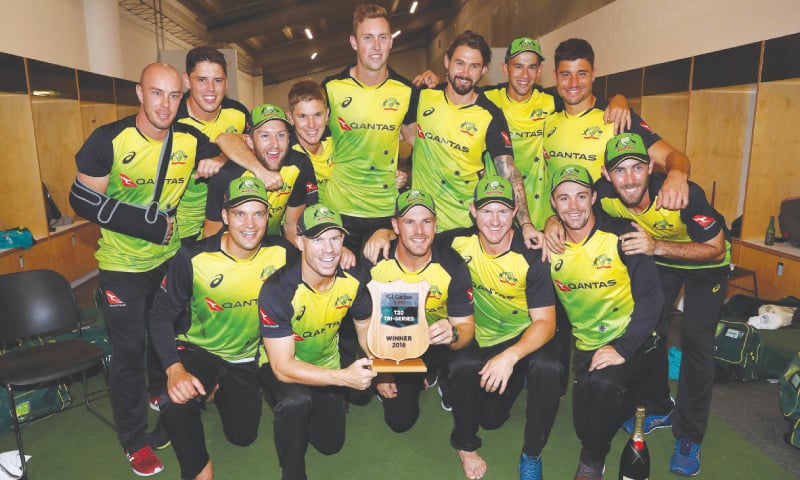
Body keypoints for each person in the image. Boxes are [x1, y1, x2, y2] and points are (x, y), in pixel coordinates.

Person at [69, 62, 224, 476]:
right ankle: (134, 441)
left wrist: (219, 157)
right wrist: (140, 222)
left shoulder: (189, 139)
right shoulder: (109, 140)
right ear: (139, 93)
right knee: (128, 353)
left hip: (167, 262)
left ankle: (162, 400)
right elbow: (81, 201)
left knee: (170, 339)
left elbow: (226, 144)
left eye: (175, 96)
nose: (166, 105)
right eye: (157, 93)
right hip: (121, 265)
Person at [596, 133, 730, 476]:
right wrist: (552, 223)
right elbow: (571, 211)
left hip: (705, 264)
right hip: (663, 261)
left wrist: (656, 248)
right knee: (650, 330)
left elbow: (716, 247)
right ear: (607, 175)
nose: (629, 179)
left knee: (696, 341)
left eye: (636, 168)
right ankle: (659, 404)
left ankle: (689, 434)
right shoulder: (605, 195)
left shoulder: (682, 195)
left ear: (650, 167)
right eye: (620, 170)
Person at [148, 177, 296, 480]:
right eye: (240, 214)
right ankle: (198, 468)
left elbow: (320, 278)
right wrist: (174, 369)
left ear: (268, 217)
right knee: (174, 400)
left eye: (258, 214)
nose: (250, 224)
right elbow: (159, 316)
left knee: (243, 436)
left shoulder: (282, 253)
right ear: (225, 216)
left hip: (245, 356)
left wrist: (347, 255)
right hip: (201, 348)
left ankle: (215, 387)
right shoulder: (194, 257)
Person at [548, 164, 663, 480]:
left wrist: (623, 348)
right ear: (554, 205)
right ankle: (631, 402)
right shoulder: (549, 247)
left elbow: (653, 301)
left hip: (634, 339)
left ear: (594, 197)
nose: (574, 207)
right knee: (585, 425)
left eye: (581, 196)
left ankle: (592, 461)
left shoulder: (623, 236)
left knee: (604, 387)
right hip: (586, 346)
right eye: (564, 199)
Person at [441, 177, 560, 480]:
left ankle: (532, 453)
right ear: (472, 211)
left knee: (549, 368)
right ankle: (465, 445)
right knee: (487, 413)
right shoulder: (456, 243)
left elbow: (546, 323)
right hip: (476, 335)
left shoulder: (532, 255)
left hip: (520, 339)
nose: (495, 221)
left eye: (503, 212)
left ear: (516, 211)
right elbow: (414, 238)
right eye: (486, 211)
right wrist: (384, 231)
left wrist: (510, 357)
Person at [358, 189, 482, 479]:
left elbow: (466, 328)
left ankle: (466, 444)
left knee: (467, 363)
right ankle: (422, 375)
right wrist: (380, 371)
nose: (418, 231)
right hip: (395, 343)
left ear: (436, 225)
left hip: (438, 341)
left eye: (426, 221)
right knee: (400, 421)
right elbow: (361, 321)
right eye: (409, 222)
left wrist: (452, 333)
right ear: (395, 226)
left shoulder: (451, 264)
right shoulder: (376, 260)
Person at [259, 203, 377, 480]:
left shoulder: (354, 279)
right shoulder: (278, 289)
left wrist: (387, 358)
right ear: (300, 242)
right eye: (318, 239)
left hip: (327, 362)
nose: (329, 249)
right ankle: (292, 472)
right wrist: (343, 379)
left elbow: (365, 329)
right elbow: (283, 367)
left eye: (335, 238)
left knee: (330, 445)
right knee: (295, 402)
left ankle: (307, 414)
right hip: (285, 366)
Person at [542, 38, 690, 211]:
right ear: (555, 77)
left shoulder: (617, 117)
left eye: (582, 74)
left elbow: (672, 156)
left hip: (604, 228)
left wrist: (676, 175)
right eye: (565, 75)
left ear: (594, 74)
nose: (573, 83)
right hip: (554, 227)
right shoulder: (547, 116)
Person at [321, 3, 418, 255]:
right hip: (339, 210)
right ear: (354, 42)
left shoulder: (406, 92)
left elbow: (423, 146)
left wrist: (406, 176)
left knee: (383, 290)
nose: (376, 46)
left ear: (391, 42)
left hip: (384, 213)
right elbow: (309, 144)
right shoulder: (331, 88)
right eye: (368, 38)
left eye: (383, 37)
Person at [176, 46, 283, 244]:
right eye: (201, 80)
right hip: (183, 229)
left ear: (226, 83)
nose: (210, 88)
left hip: (228, 223)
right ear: (186, 80)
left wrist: (222, 158)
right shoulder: (173, 121)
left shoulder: (238, 113)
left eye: (218, 80)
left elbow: (256, 147)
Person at [206, 104, 317, 246]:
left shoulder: (299, 165)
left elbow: (291, 226)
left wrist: (293, 262)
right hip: (232, 249)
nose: (274, 144)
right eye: (265, 136)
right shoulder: (227, 175)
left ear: (289, 138)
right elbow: (211, 234)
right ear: (250, 141)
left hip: (271, 246)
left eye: (281, 135)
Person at [286, 80, 335, 204]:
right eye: (302, 116)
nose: (311, 125)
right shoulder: (284, 151)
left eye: (317, 115)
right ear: (290, 118)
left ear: (327, 114)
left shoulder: (339, 141)